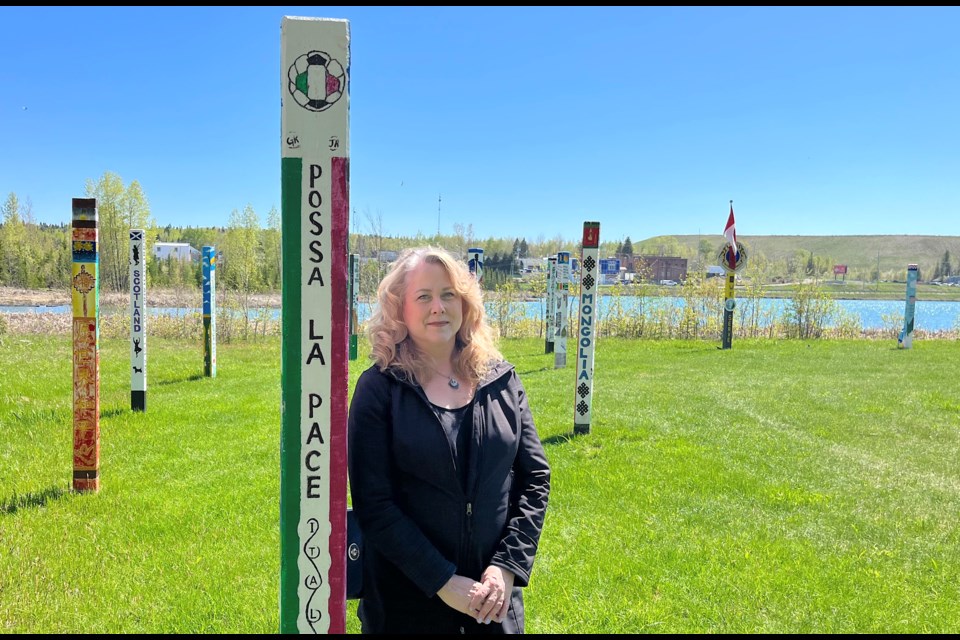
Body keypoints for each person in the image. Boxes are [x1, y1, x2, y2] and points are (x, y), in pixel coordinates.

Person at [348, 246, 551, 634]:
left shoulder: (501, 381)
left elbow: (535, 478)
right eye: (423, 296)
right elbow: (374, 504)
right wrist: (441, 580)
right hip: (407, 604)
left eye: (448, 294)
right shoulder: (379, 389)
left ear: (465, 303)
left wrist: (506, 568)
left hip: (492, 603)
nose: (438, 306)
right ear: (399, 310)